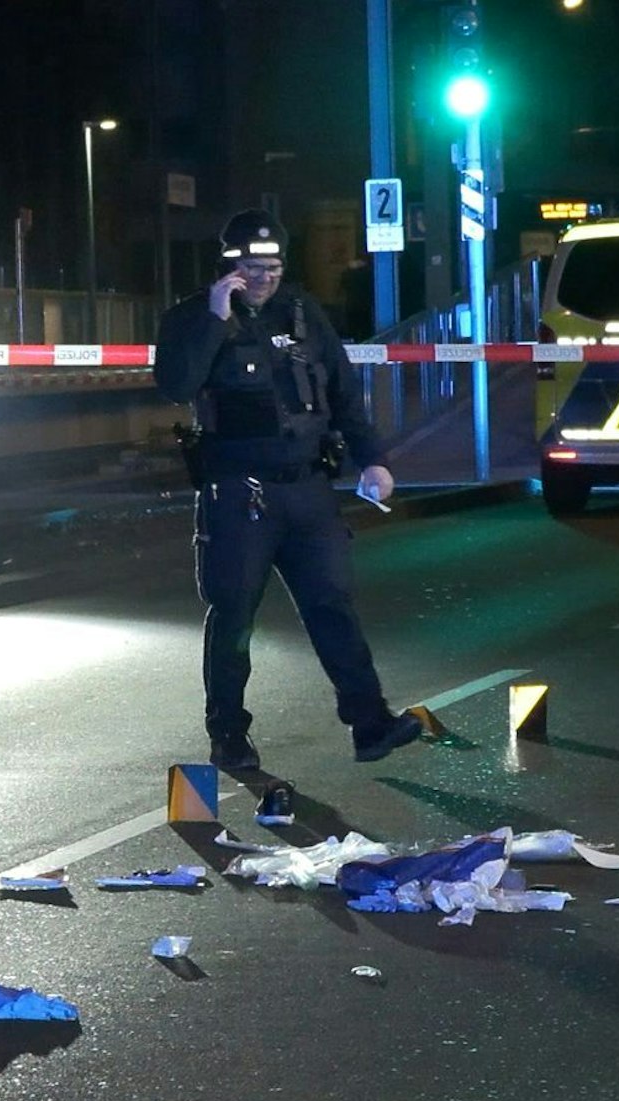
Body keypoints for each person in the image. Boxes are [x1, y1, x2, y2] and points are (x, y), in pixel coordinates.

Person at [152, 209, 420, 772]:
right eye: (252, 268)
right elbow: (176, 384)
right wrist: (216, 319)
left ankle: (370, 721)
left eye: (272, 268)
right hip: (238, 496)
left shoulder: (302, 313)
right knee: (234, 617)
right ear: (229, 265)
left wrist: (373, 459)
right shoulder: (190, 317)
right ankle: (228, 734)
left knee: (333, 605)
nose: (263, 278)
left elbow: (343, 391)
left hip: (307, 491)